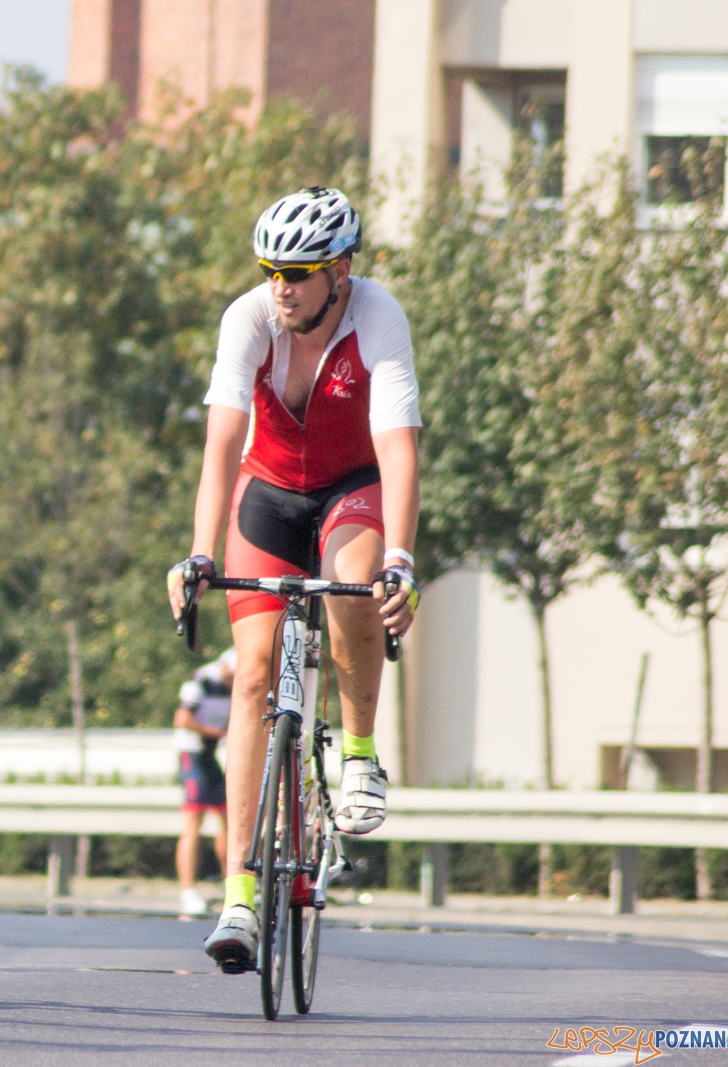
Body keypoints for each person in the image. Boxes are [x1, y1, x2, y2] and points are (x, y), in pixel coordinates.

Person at [166, 187, 422, 971]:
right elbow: (221, 448)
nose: (282, 286)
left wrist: (401, 559)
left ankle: (358, 751)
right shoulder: (248, 319)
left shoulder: (377, 316)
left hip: (351, 486)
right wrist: (199, 552)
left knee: (354, 578)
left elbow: (399, 447)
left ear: (340, 270)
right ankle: (240, 895)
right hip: (269, 497)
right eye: (273, 270)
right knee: (251, 677)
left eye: (300, 272)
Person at [174, 648, 235, 918]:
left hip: (211, 755)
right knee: (193, 823)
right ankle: (188, 892)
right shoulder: (201, 680)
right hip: (193, 753)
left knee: (228, 820)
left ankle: (231, 888)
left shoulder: (237, 684)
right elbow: (182, 719)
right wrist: (218, 732)